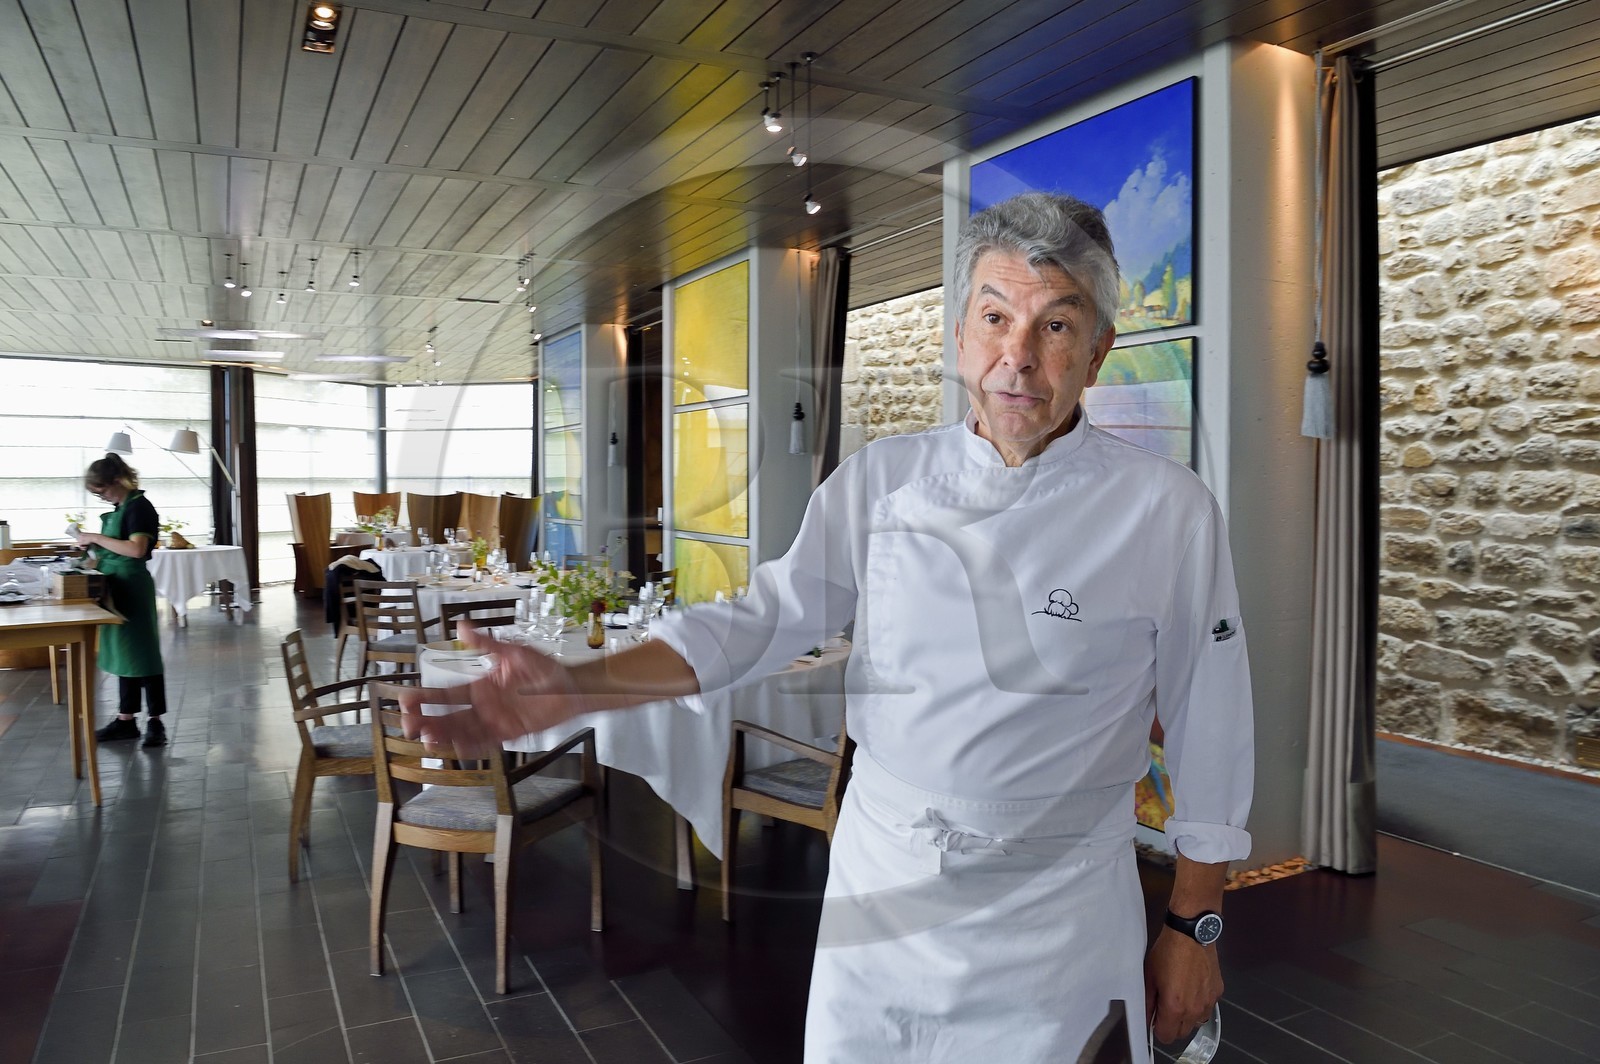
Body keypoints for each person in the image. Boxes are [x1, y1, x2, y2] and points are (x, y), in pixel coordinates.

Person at [404, 192, 1254, 1062]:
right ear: (959, 336)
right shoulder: (882, 482)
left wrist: (1196, 923)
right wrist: (577, 684)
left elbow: (1210, 723)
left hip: (1056, 910)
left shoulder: (1168, 513)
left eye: (1057, 327)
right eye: (995, 318)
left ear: (1099, 352)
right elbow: (762, 619)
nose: (1019, 359)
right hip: (882, 894)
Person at [74, 453, 168, 747]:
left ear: (117, 481)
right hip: (116, 586)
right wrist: (90, 554)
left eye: (102, 490)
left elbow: (137, 549)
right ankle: (126, 719)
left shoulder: (139, 507)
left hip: (133, 587)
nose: (101, 497)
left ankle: (156, 722)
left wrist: (96, 538)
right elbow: (114, 550)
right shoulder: (120, 507)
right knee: (126, 656)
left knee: (144, 655)